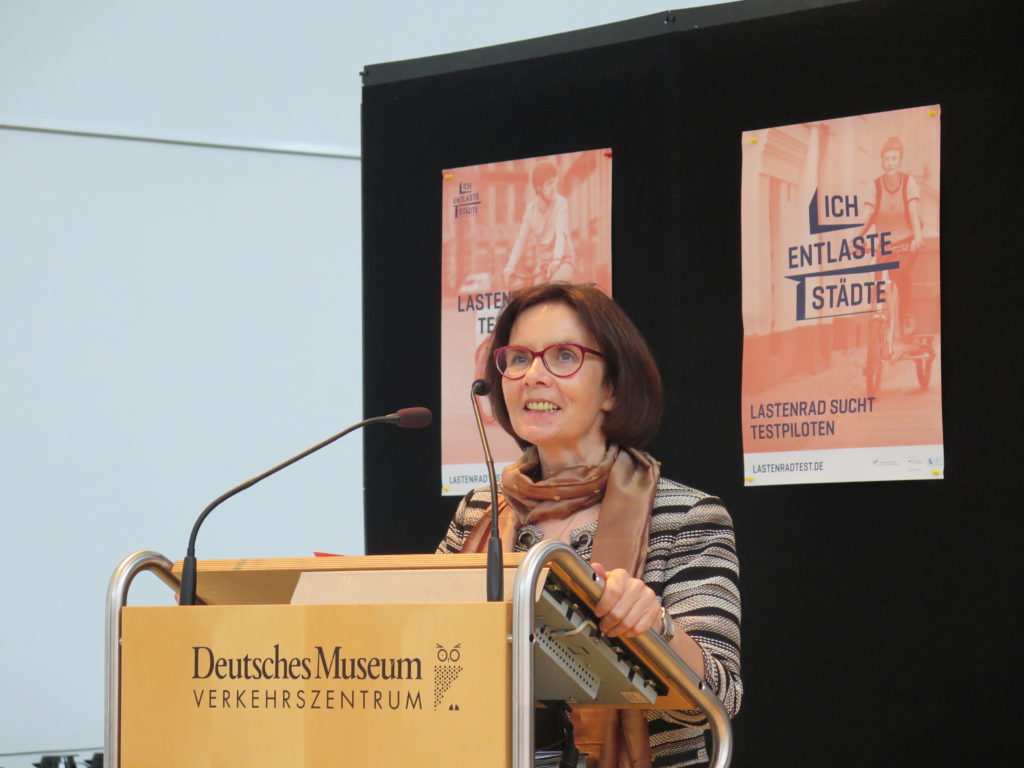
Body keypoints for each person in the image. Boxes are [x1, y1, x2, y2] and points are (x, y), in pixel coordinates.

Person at [437, 283, 742, 768]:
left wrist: (656, 627)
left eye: (562, 356)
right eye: (518, 358)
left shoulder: (685, 514)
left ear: (612, 389)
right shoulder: (479, 513)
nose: (533, 376)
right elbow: (438, 659)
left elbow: (719, 700)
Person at [861, 136, 925, 335]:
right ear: (881, 161)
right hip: (884, 244)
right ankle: (877, 322)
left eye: (894, 158)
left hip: (907, 242)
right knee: (878, 279)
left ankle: (907, 314)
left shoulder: (908, 182)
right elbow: (868, 212)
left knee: (898, 273)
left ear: (900, 160)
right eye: (886, 158)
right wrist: (857, 236)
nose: (889, 162)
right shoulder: (875, 186)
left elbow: (913, 210)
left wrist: (917, 237)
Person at [501, 161, 575, 288]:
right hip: (543, 269)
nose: (554, 188)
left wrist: (557, 259)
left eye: (554, 183)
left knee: (554, 287)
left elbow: (560, 233)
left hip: (563, 262)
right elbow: (521, 240)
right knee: (533, 297)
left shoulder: (560, 203)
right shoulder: (530, 212)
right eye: (549, 184)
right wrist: (509, 268)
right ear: (538, 187)